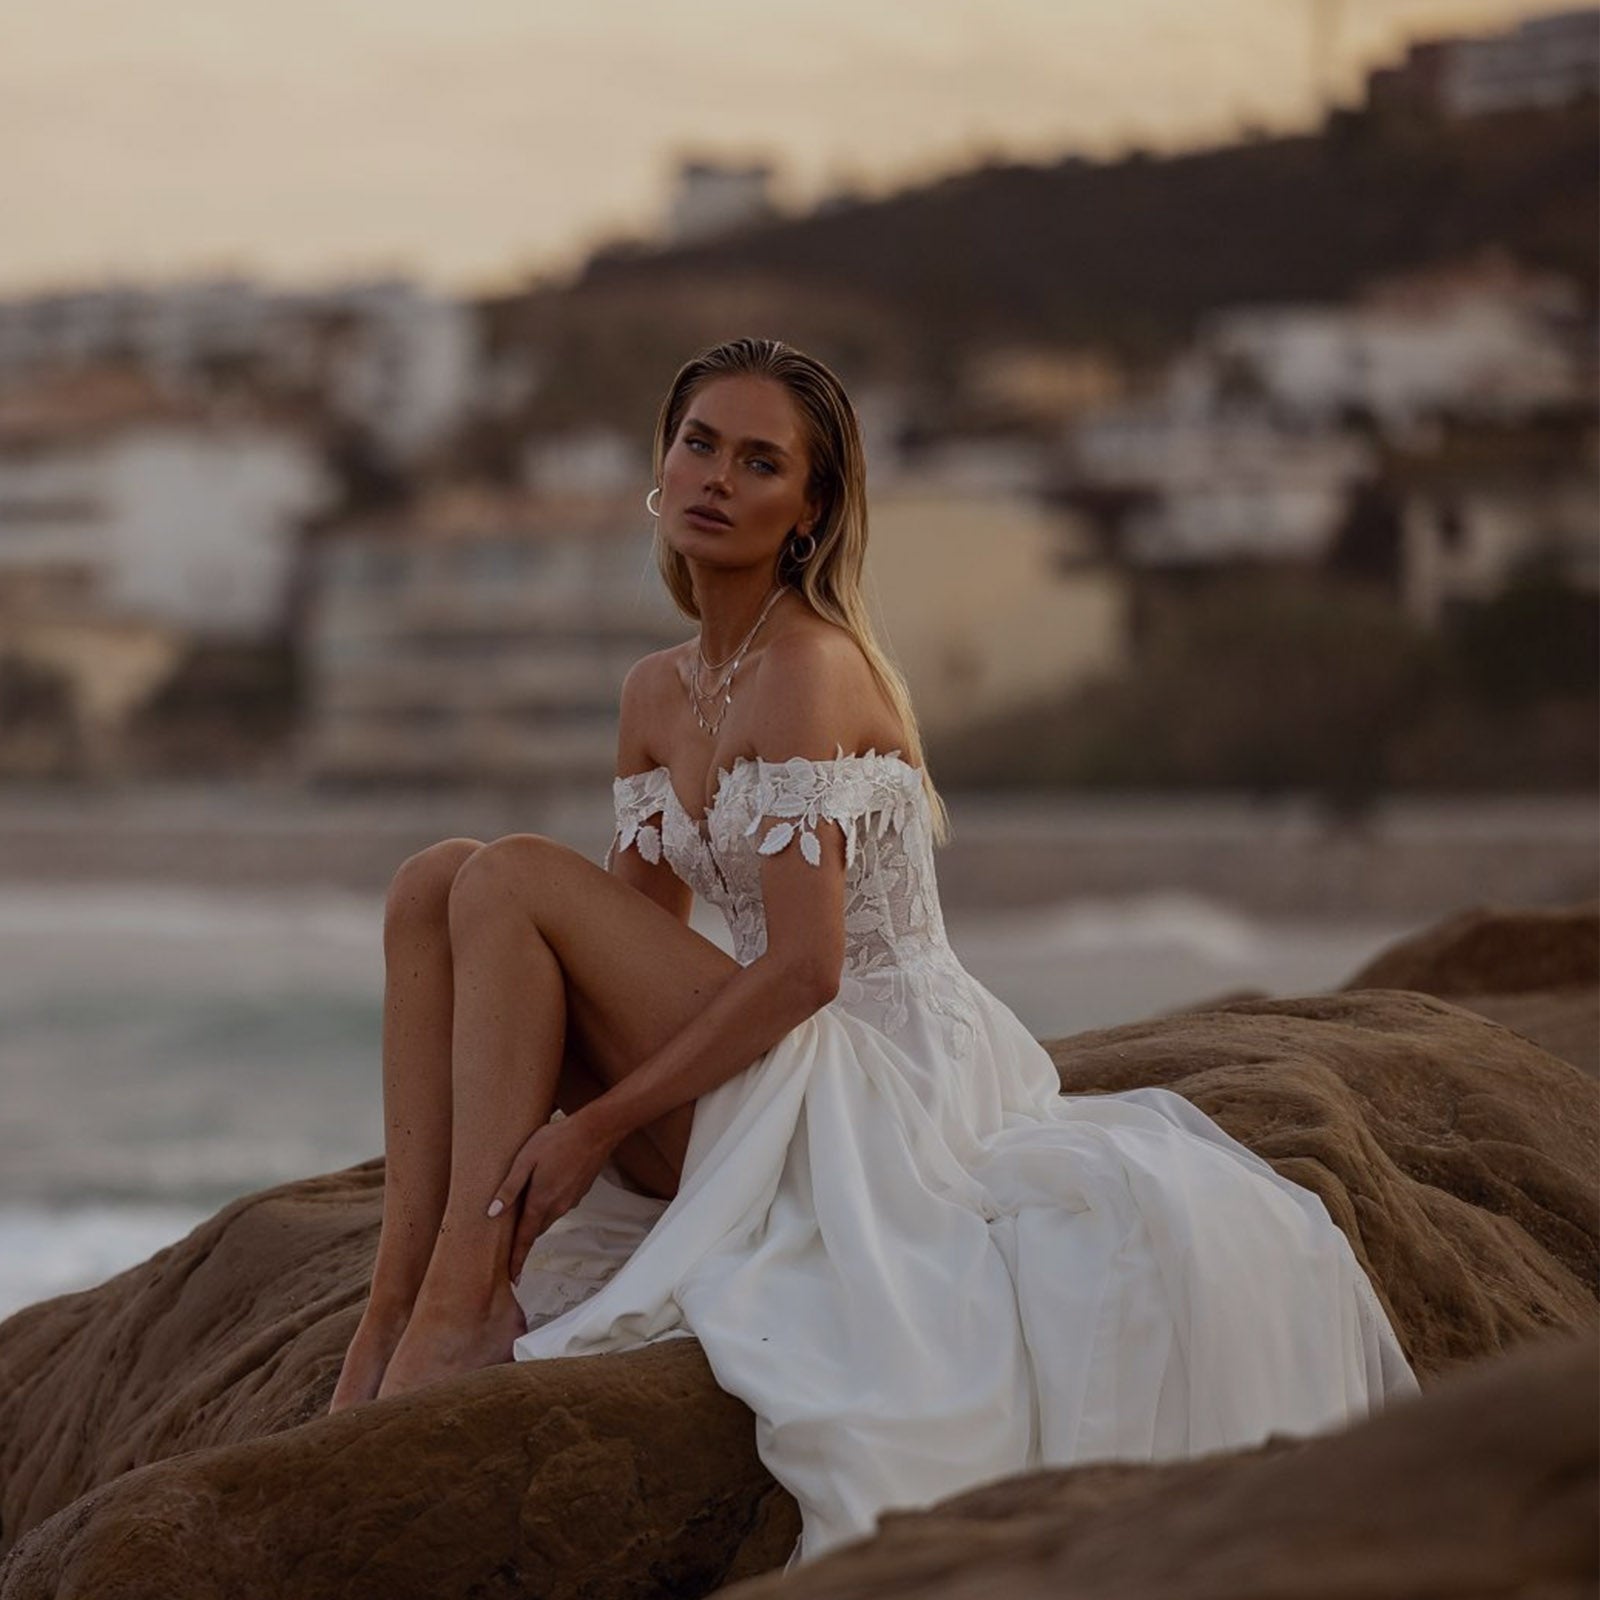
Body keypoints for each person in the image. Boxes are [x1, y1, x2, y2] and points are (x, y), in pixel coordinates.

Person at [329, 336, 1420, 1564]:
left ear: (810, 510)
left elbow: (807, 970)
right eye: (698, 444)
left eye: (760, 462)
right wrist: (566, 1087)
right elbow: (618, 934)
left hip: (868, 1075)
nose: (717, 479)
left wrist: (592, 1128)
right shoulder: (655, 690)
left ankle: (464, 1308)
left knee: (509, 868)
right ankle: (394, 1313)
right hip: (748, 1058)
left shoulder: (807, 667)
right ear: (660, 463)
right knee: (438, 882)